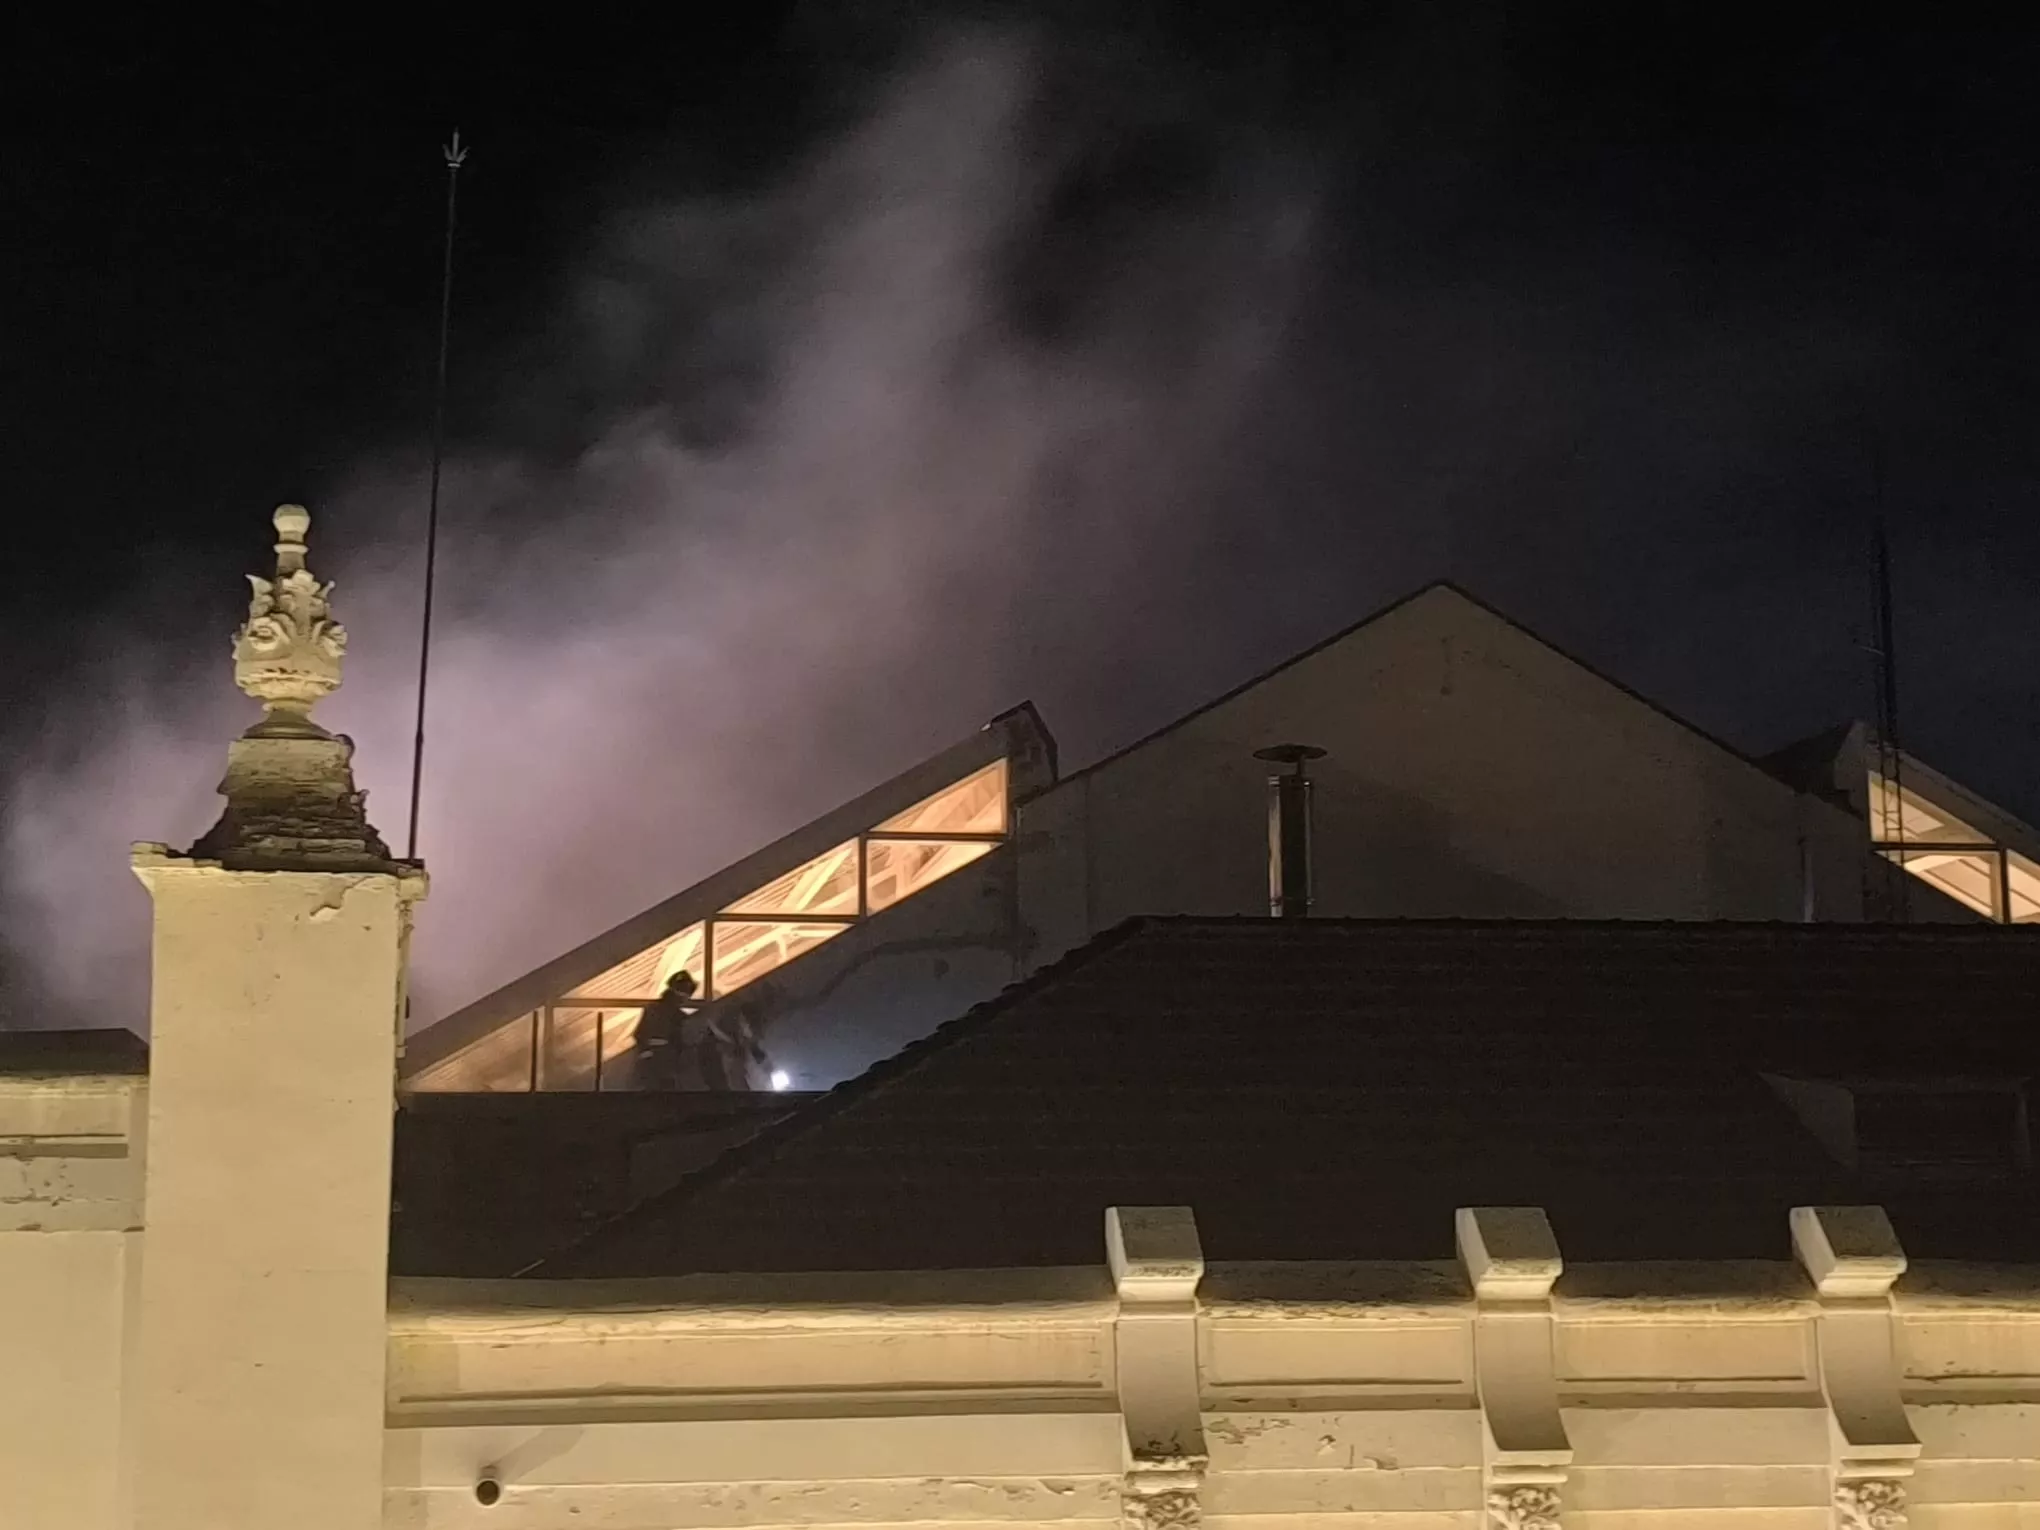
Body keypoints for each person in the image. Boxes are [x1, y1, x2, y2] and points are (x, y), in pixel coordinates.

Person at [631, 970, 697, 1090]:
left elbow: (639, 1034)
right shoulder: (669, 1014)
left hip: (661, 1064)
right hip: (661, 1064)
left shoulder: (655, 1009)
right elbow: (640, 1034)